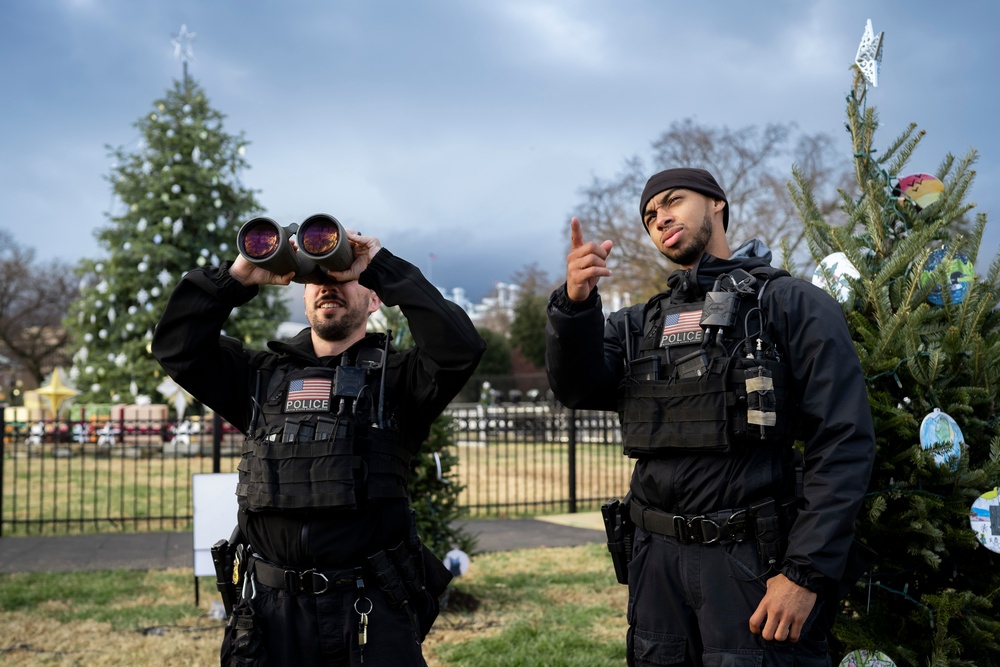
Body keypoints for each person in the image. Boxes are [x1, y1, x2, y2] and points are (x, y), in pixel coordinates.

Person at [545, 168, 875, 666]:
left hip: (751, 565)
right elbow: (577, 386)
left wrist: (804, 574)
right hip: (656, 567)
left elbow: (844, 441)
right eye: (650, 215)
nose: (661, 218)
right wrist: (575, 307)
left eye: (673, 201)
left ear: (717, 204)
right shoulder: (638, 325)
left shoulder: (789, 304)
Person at [152, 226, 485, 666]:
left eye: (343, 274)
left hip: (370, 610)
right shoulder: (260, 377)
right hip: (270, 616)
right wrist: (235, 279)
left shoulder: (401, 380)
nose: (329, 284)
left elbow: (460, 349)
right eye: (316, 278)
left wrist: (381, 265)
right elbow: (177, 348)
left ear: (373, 297)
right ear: (304, 296)